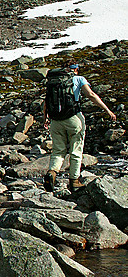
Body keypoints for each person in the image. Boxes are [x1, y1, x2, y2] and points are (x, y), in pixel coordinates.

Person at [43, 63, 116, 192]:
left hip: (55, 120)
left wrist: (46, 118)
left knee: (58, 151)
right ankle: (74, 181)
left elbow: (46, 101)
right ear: (76, 69)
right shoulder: (79, 79)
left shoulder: (53, 81)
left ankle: (52, 173)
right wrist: (107, 110)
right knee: (76, 150)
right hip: (73, 118)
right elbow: (91, 94)